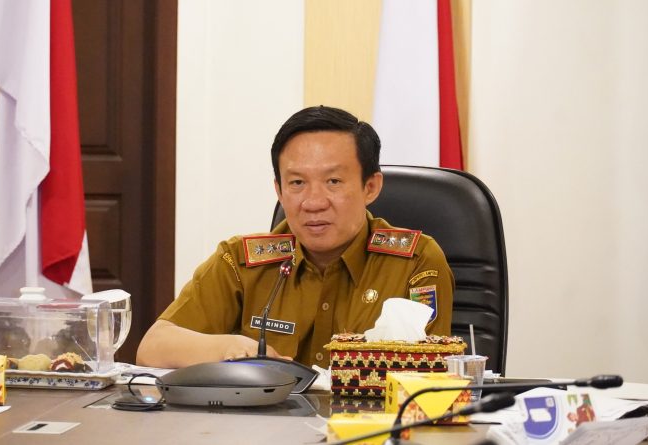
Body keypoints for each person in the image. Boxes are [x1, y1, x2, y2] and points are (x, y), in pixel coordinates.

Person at [137, 106, 454, 369]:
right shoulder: (241, 262)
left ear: (370, 187)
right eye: (297, 183)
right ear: (279, 190)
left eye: (333, 181)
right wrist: (231, 347)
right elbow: (153, 347)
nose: (313, 202)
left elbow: (430, 370)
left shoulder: (415, 262)